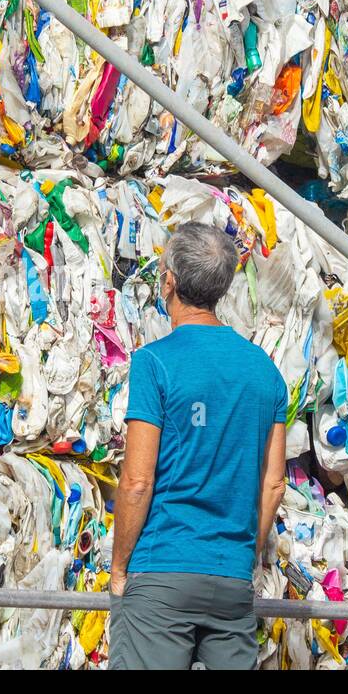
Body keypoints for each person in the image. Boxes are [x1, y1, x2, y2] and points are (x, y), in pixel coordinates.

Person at [108, 221, 289, 670]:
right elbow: (274, 485)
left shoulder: (155, 363)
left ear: (168, 281)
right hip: (231, 581)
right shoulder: (265, 372)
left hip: (163, 571)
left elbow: (135, 481)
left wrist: (118, 571)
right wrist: (244, 556)